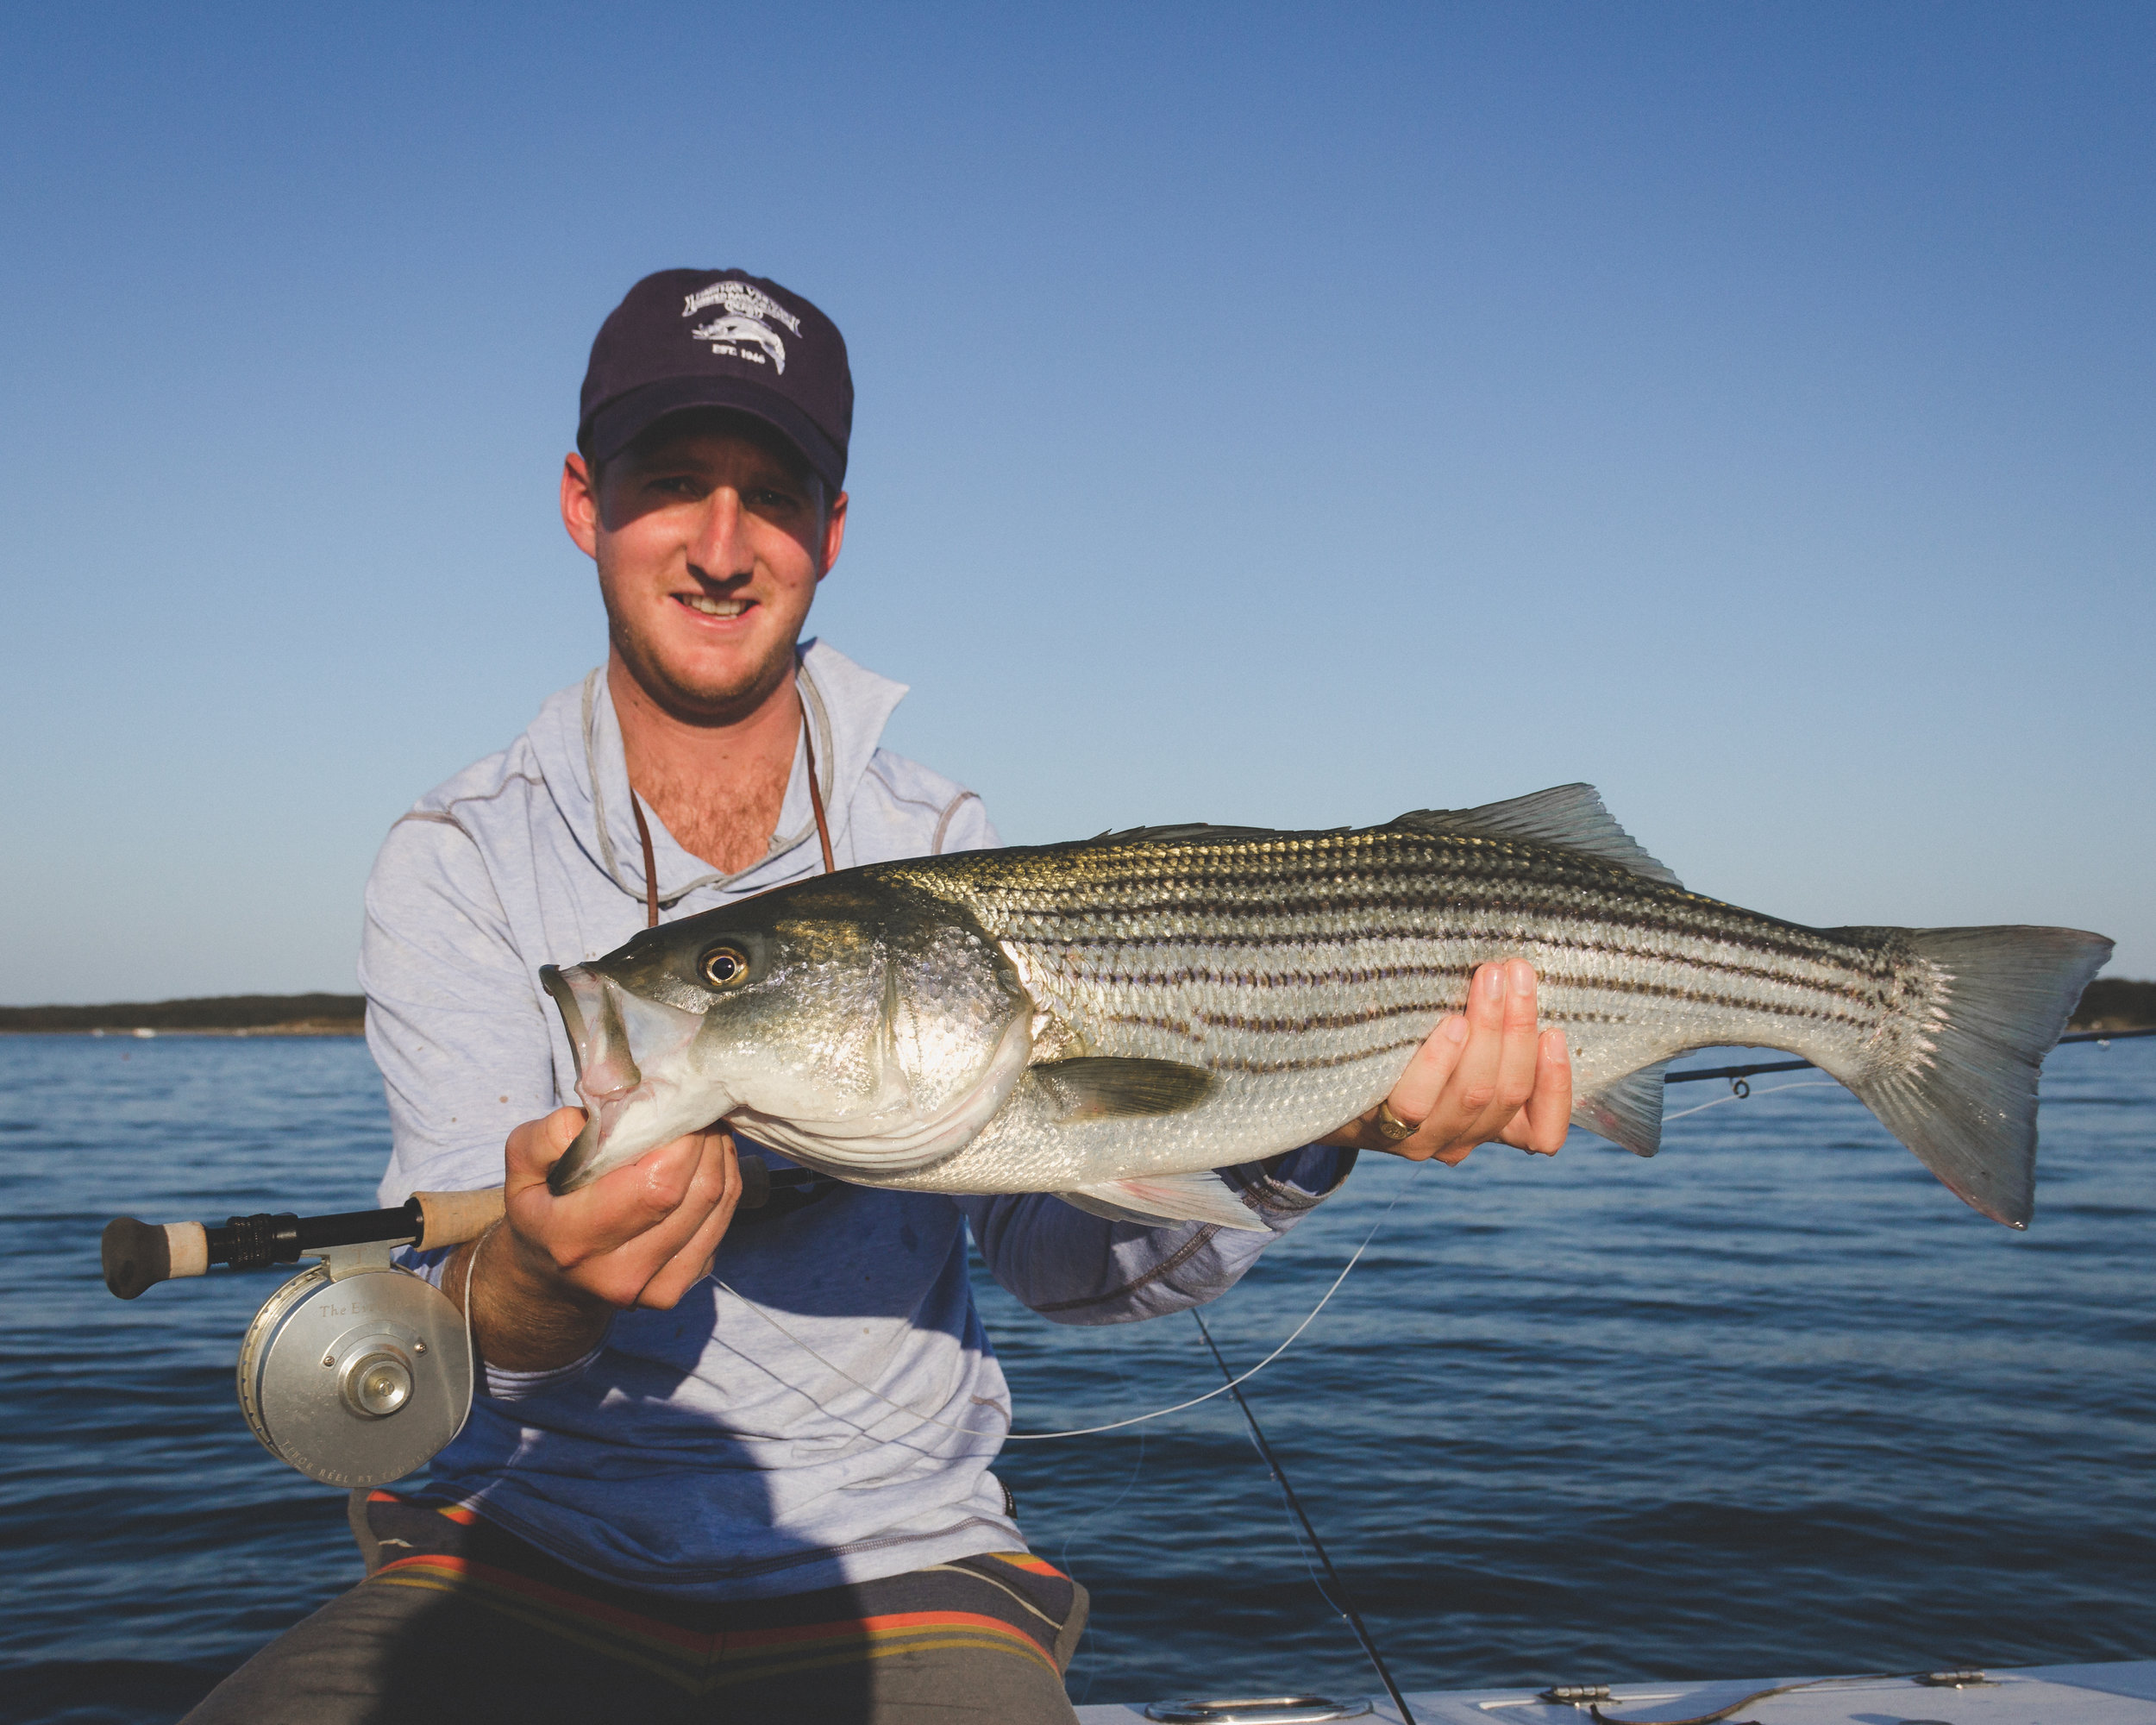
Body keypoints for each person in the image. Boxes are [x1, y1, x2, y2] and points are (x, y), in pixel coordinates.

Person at [185, 269, 1571, 1725]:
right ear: (583, 502)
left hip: (909, 1569)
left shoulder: (938, 844)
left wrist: (1317, 1129)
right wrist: (538, 1278)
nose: (722, 547)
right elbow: (460, 1318)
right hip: (528, 1547)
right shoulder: (459, 858)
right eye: (671, 484)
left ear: (830, 533)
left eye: (770, 496)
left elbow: (1061, 1261)